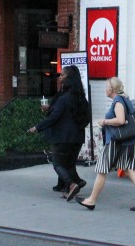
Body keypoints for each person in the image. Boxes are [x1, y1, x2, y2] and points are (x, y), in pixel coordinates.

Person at [75, 77, 135, 210]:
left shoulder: (118, 101)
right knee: (130, 170)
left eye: (106, 87)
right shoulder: (125, 99)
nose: (105, 89)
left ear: (111, 89)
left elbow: (120, 120)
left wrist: (105, 122)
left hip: (116, 141)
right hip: (127, 141)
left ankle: (91, 200)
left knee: (101, 169)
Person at [28, 66, 91, 201]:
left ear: (68, 79)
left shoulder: (63, 98)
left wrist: (37, 127)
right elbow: (87, 118)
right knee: (69, 164)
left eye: (62, 75)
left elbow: (53, 117)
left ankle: (72, 184)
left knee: (58, 164)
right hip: (78, 137)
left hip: (62, 137)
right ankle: (72, 186)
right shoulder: (81, 99)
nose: (59, 77)